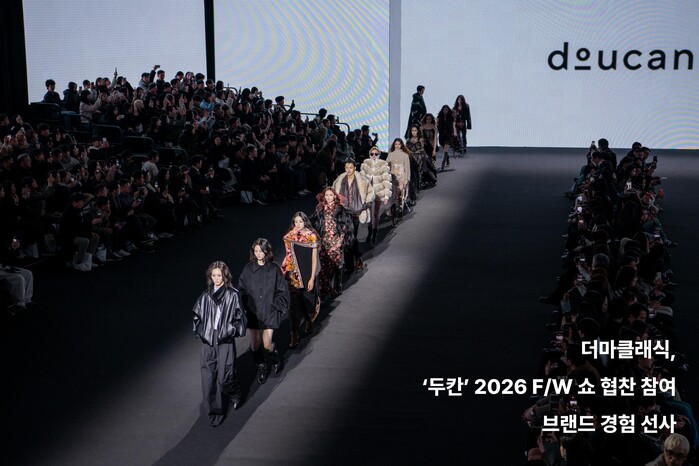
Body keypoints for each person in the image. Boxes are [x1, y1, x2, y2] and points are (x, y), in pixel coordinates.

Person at [192, 260, 245, 427]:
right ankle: (215, 413)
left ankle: (235, 393)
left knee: (225, 377)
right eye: (213, 275)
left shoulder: (233, 295)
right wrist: (201, 331)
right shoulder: (206, 295)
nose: (216, 278)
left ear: (225, 276)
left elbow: (241, 319)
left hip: (224, 341)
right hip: (208, 341)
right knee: (208, 380)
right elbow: (196, 315)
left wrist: (230, 330)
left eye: (219, 275)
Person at [238, 238, 289, 385]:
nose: (258, 254)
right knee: (254, 345)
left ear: (267, 251)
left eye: (261, 251)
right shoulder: (248, 269)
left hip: (269, 311)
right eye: (256, 251)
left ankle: (274, 356)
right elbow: (241, 289)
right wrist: (245, 305)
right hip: (254, 312)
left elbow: (282, 290)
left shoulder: (274, 269)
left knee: (266, 344)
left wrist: (276, 305)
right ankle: (261, 365)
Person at [281, 212, 320, 348]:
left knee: (306, 302)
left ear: (305, 222)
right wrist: (285, 271)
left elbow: (314, 259)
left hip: (307, 273)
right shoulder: (289, 236)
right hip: (294, 275)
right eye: (295, 222)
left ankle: (308, 320)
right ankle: (294, 333)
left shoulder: (311, 236)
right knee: (293, 306)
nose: (298, 224)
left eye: (300, 221)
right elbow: (288, 255)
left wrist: (312, 278)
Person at [311, 187, 354, 299]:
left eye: (331, 195)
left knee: (336, 264)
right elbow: (314, 224)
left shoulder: (340, 209)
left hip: (335, 241)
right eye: (327, 195)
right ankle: (324, 289)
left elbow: (345, 226)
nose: (328, 197)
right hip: (324, 242)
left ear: (335, 196)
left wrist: (340, 242)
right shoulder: (320, 209)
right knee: (324, 266)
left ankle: (337, 284)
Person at [332, 159, 374, 271]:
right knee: (347, 238)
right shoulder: (340, 180)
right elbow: (333, 193)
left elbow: (371, 194)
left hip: (355, 213)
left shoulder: (362, 180)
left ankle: (352, 263)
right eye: (347, 167)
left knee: (351, 237)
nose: (349, 170)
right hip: (343, 213)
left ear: (355, 168)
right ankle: (352, 262)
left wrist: (363, 206)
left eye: (351, 167)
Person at [360, 146, 392, 244]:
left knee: (375, 214)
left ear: (379, 154)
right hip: (368, 193)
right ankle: (370, 232)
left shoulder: (383, 164)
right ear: (369, 155)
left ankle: (374, 233)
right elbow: (361, 181)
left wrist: (386, 196)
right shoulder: (365, 164)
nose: (374, 155)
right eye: (372, 154)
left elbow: (386, 181)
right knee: (369, 214)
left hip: (378, 192)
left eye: (376, 154)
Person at [385, 138, 411, 225]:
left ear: (401, 145)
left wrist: (406, 179)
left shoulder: (405, 155)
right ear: (394, 145)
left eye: (399, 144)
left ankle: (400, 213)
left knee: (400, 197)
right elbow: (386, 165)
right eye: (395, 144)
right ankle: (394, 216)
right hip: (392, 179)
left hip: (401, 178)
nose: (397, 146)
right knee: (393, 197)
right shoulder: (390, 154)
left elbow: (407, 168)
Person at [437, 104, 455, 171]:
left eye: (446, 109)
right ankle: (447, 159)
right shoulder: (440, 116)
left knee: (446, 148)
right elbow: (437, 125)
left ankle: (443, 164)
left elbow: (453, 125)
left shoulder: (450, 117)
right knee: (444, 148)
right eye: (444, 109)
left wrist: (454, 133)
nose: (445, 111)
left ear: (448, 110)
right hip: (442, 135)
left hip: (448, 135)